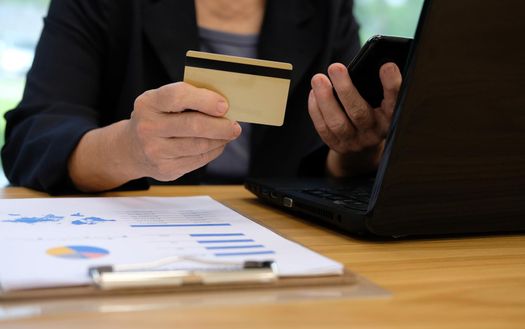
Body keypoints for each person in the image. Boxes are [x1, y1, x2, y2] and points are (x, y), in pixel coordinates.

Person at [1, 0, 402, 194]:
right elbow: (32, 139)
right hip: (137, 233)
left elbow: (327, 158)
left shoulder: (325, 7)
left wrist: (359, 149)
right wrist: (127, 149)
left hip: (274, 234)